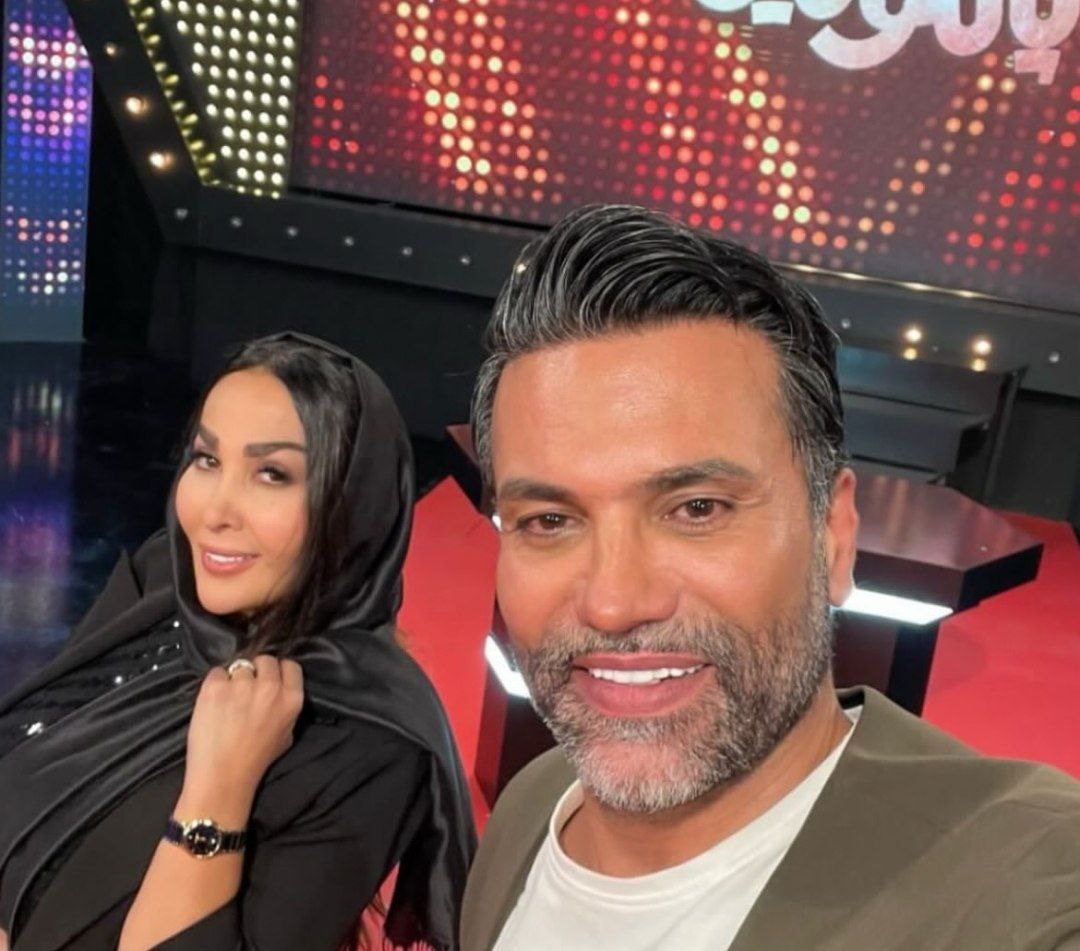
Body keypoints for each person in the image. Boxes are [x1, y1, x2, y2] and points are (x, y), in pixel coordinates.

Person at [459, 204, 1080, 950]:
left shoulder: (1016, 882)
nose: (614, 602)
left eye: (697, 508)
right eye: (549, 520)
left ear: (833, 535)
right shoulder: (534, 803)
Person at [0, 333, 475, 950]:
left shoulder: (367, 744)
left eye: (271, 474)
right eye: (206, 459)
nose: (213, 511)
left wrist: (218, 788)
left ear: (352, 505)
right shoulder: (164, 589)